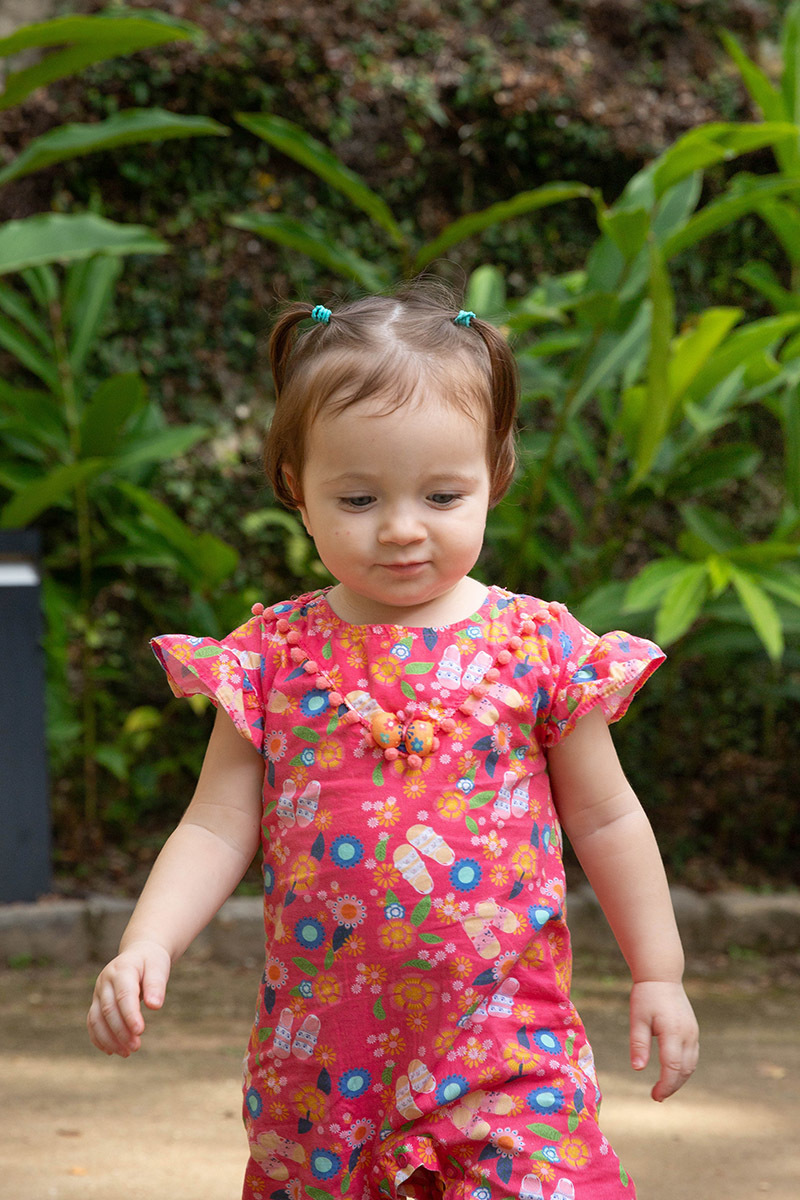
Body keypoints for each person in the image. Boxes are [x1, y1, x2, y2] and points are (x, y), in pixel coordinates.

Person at [87, 284, 699, 1200]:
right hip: (323, 1067)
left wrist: (660, 971)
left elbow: (607, 817)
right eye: (361, 496)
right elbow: (216, 825)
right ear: (297, 487)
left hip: (505, 1048)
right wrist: (148, 942)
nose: (403, 527)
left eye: (444, 494)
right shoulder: (270, 658)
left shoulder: (539, 649)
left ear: (495, 474)